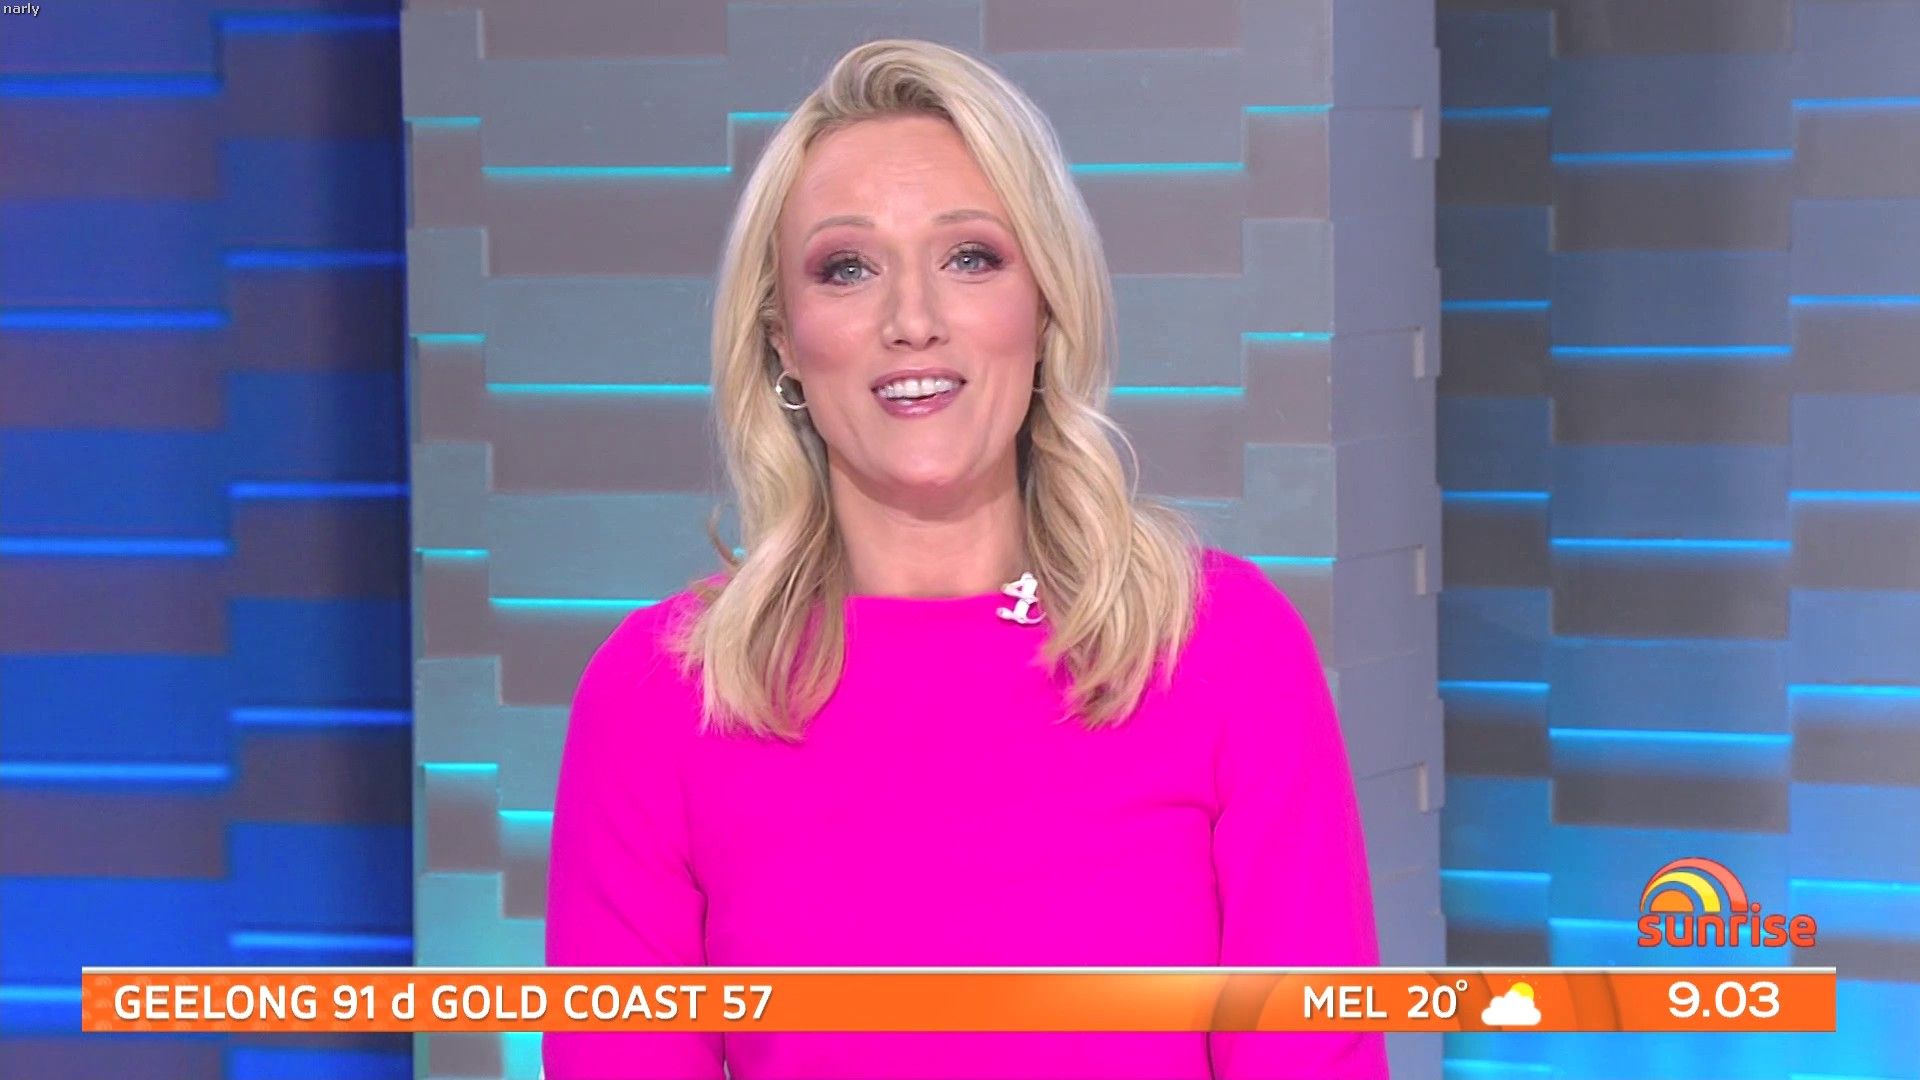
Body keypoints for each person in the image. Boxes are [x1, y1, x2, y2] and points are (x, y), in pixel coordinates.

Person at [543, 37, 1388, 1080]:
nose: (914, 321)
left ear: (1045, 306)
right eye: (847, 268)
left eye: (971, 258)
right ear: (782, 339)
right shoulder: (659, 696)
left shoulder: (1218, 647)